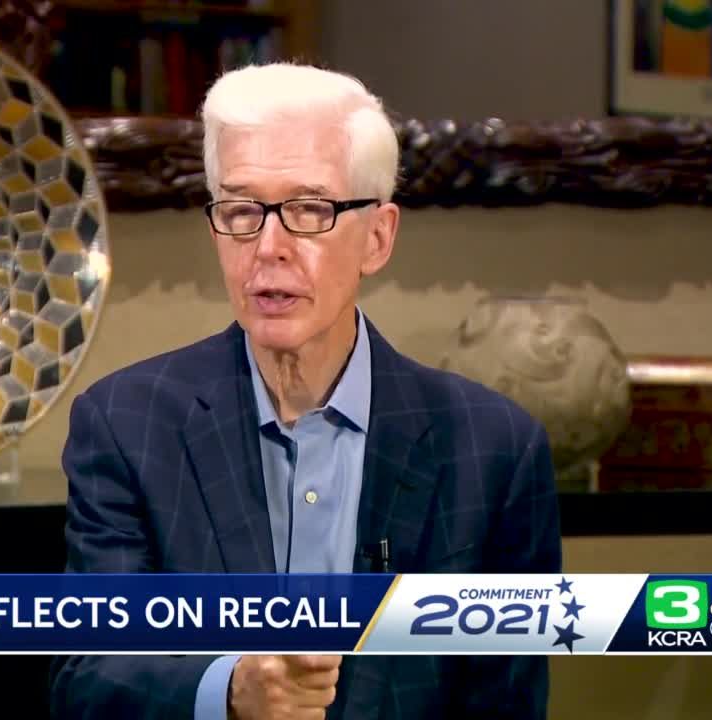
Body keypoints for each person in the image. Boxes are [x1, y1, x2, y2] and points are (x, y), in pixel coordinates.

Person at [49, 62, 561, 720]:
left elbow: (508, 706)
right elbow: (88, 681)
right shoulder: (127, 426)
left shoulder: (495, 450)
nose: (268, 247)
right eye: (240, 210)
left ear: (377, 237)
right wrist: (232, 692)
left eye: (308, 210)